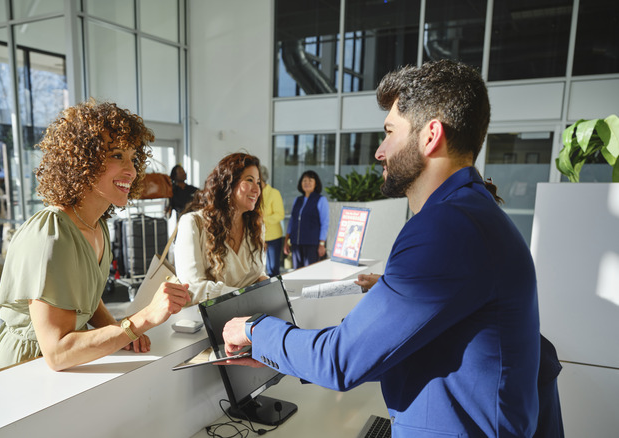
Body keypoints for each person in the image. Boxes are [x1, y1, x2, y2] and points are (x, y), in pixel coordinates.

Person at [222, 60, 541, 437]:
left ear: (431, 135)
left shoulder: (445, 228)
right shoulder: (472, 214)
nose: (379, 150)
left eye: (389, 132)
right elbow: (406, 345)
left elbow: (341, 360)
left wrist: (255, 331)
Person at [0, 100, 191, 373]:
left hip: (69, 370)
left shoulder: (96, 224)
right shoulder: (51, 234)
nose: (131, 170)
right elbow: (58, 353)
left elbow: (85, 298)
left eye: (134, 158)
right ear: (81, 160)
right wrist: (142, 320)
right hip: (25, 371)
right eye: (116, 155)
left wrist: (117, 331)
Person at [174, 152, 267, 304]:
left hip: (249, 314)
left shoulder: (256, 226)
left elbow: (256, 273)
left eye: (258, 182)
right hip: (209, 320)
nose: (257, 189)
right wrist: (245, 297)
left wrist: (267, 284)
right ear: (227, 183)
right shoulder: (193, 223)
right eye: (249, 180)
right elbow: (193, 287)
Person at [283, 170, 329, 268]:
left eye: (310, 180)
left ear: (316, 183)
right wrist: (286, 241)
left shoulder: (321, 200)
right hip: (296, 244)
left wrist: (322, 244)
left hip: (312, 244)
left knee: (310, 274)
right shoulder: (297, 200)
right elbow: (292, 221)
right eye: (304, 180)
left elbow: (325, 223)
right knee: (297, 272)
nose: (307, 183)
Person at [259, 165, 284, 276]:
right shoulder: (254, 193)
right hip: (258, 236)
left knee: (273, 268)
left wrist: (262, 218)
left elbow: (280, 215)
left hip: (273, 236)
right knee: (260, 269)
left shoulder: (274, 193)